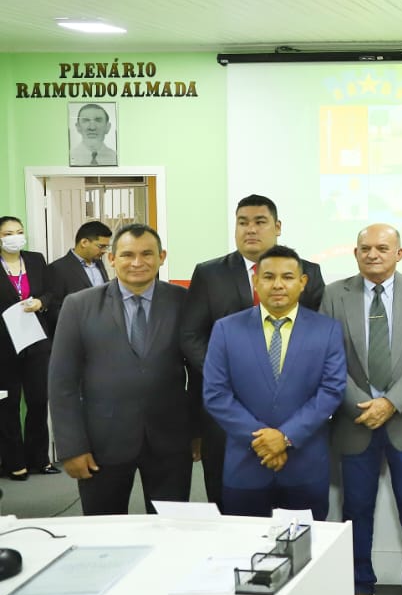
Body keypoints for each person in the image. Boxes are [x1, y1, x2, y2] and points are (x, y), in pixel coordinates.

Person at [180, 194, 325, 510]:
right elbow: (191, 335)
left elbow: (315, 342)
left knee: (292, 505)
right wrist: (228, 376)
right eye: (243, 222)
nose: (250, 230)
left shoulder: (308, 273)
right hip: (226, 410)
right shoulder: (209, 273)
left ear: (277, 226)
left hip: (289, 412)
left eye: (260, 222)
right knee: (227, 502)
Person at [321, 224, 402, 595]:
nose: (373, 254)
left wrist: (391, 403)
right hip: (355, 420)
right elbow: (327, 358)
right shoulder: (334, 294)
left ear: (399, 254)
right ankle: (358, 583)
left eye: (382, 248)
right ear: (355, 253)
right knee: (355, 508)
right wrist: (361, 405)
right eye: (365, 248)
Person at [48, 224, 201, 513]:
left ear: (162, 257)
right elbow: (62, 382)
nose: (137, 262)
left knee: (170, 531)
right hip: (102, 444)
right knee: (104, 534)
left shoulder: (184, 302)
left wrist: (197, 430)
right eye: (128, 254)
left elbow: (198, 372)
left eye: (147, 254)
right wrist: (71, 446)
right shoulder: (79, 306)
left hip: (170, 440)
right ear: (112, 259)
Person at [202, 245, 345, 519]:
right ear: (256, 280)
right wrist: (263, 440)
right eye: (268, 277)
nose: (278, 284)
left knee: (307, 554)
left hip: (305, 466)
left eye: (288, 277)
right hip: (245, 466)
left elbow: (331, 390)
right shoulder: (226, 329)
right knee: (244, 553)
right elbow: (216, 394)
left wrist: (285, 437)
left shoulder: (327, 330)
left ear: (303, 282)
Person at [0, 216, 55, 480]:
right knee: (8, 404)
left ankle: (39, 459)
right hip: (4, 346)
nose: (15, 237)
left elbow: (50, 293)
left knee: (37, 401)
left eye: (19, 232)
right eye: (8, 233)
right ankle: (14, 462)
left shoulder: (35, 259)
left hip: (36, 340)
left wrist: (40, 303)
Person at [44, 220, 113, 331]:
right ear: (84, 242)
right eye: (101, 246)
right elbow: (54, 308)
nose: (104, 251)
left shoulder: (99, 264)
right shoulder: (58, 268)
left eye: (106, 247)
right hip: (77, 332)